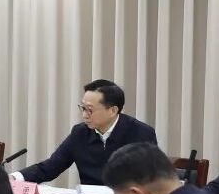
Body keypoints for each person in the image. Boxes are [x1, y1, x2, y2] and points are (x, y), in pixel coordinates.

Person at [13, 80, 157, 186]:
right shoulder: (80, 133)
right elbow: (51, 167)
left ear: (113, 110)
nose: (84, 115)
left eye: (90, 110)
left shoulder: (141, 133)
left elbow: (150, 179)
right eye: (83, 108)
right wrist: (14, 178)